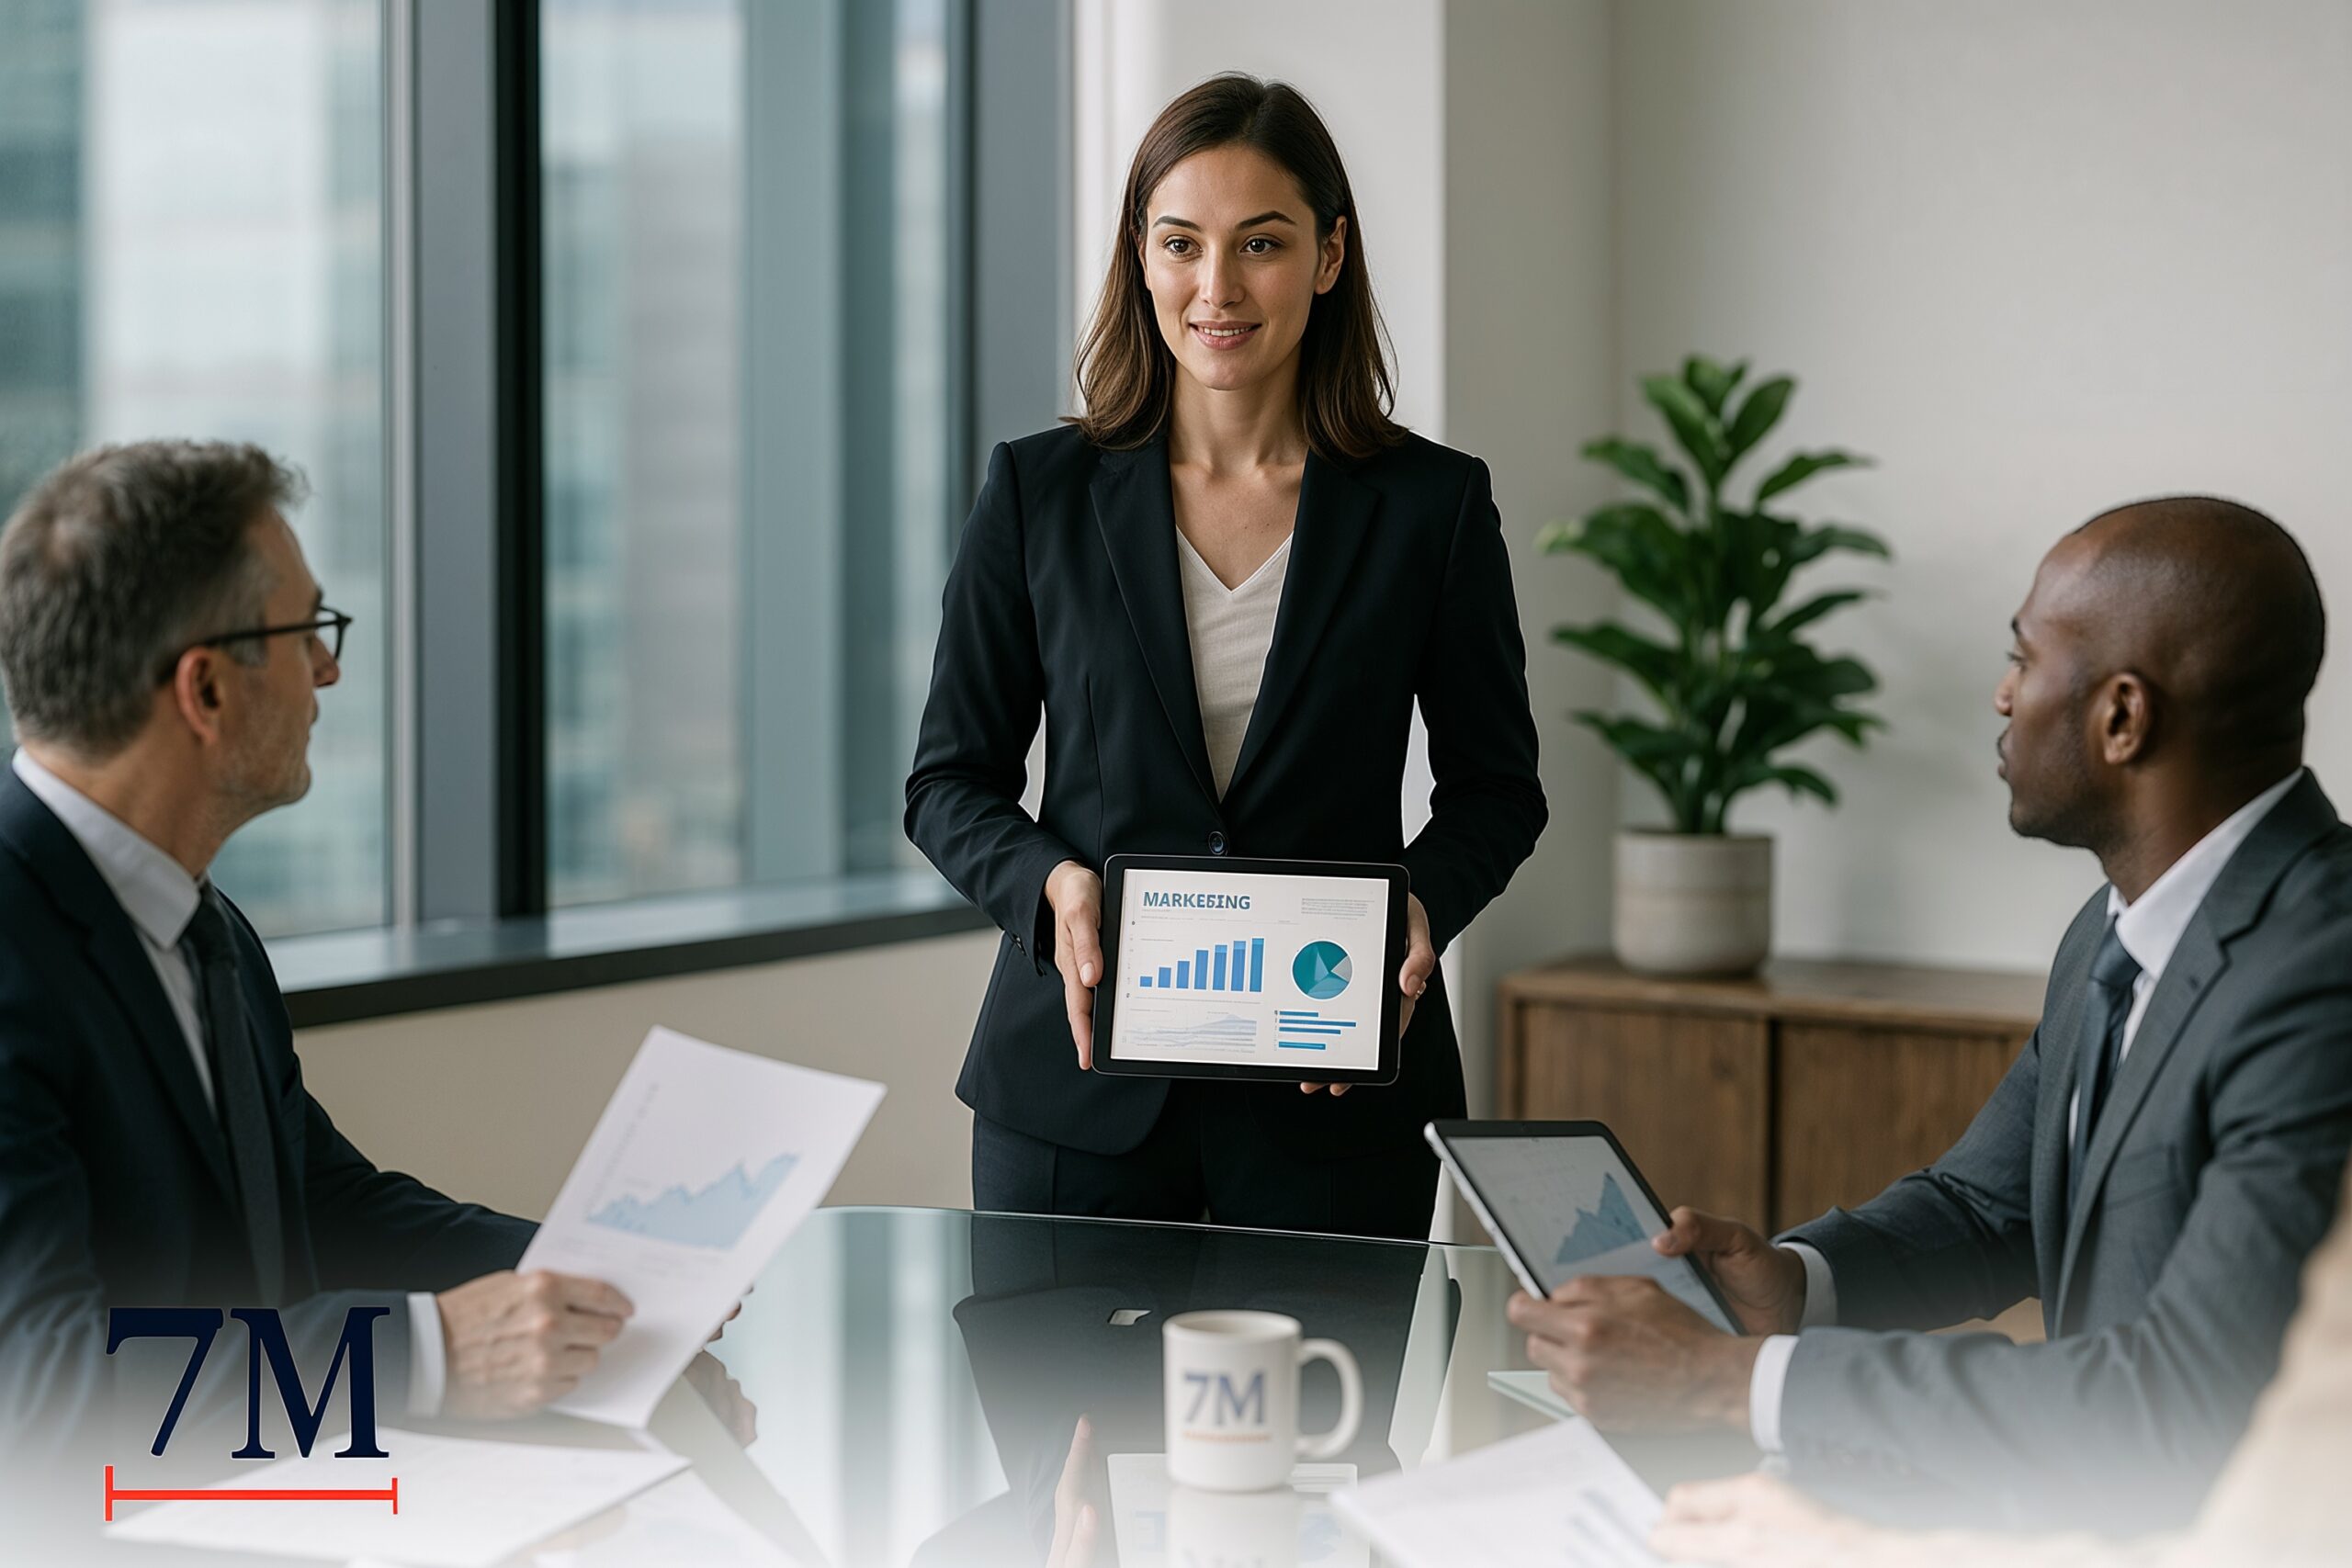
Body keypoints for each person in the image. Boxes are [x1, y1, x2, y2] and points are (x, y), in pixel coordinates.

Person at [1507, 496, 2352, 1528]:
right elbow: (1990, 1209)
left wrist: (1726, 1381)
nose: (2002, 697)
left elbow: (2175, 1404)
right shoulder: (2112, 927)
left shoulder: (2322, 969)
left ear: (2121, 718)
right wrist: (1797, 1284)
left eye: (2024, 659)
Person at [904, 73, 1545, 1240]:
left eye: (1261, 243)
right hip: (1074, 1104)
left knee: (1326, 1431)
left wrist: (1418, 908)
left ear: (1328, 255)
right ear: (1140, 258)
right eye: (1181, 243)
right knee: (1064, 1431)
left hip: (1331, 1104)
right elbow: (948, 784)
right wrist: (1053, 892)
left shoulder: (1432, 507)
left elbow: (1497, 793)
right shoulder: (1036, 496)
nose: (1217, 288)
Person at [0, 441, 634, 1471]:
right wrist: (432, 1356)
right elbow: (45, 1391)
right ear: (204, 692)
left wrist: (593, 1277)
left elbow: (322, 1201)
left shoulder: (204, 926)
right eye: (307, 634)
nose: (330, 670)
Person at [1646, 1156, 2352, 1568]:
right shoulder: (2101, 940)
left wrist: (1855, 1547)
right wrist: (1799, 1285)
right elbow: (1987, 1202)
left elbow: (2263, 1540)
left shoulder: (2308, 966)